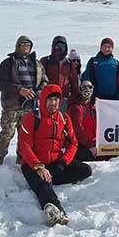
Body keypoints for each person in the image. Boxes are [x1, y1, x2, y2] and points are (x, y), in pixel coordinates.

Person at [18, 84, 92, 226]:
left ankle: (50, 179)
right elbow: (24, 146)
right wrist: (39, 167)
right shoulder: (32, 118)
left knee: (85, 170)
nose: (54, 103)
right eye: (50, 100)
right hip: (33, 164)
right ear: (43, 100)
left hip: (55, 161)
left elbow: (73, 144)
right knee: (43, 185)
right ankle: (56, 212)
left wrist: (63, 162)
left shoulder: (64, 118)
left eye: (57, 100)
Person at [0, 36, 48, 165]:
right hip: (12, 105)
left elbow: (44, 80)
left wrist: (39, 92)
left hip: (30, 105)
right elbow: (1, 81)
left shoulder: (37, 63)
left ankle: (22, 160)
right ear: (18, 47)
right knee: (8, 133)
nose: (25, 48)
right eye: (23, 45)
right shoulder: (9, 63)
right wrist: (19, 89)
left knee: (25, 135)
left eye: (28, 45)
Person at [40, 36, 79, 110]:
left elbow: (75, 83)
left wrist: (74, 98)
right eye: (57, 45)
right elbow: (40, 78)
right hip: (48, 97)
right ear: (53, 46)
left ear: (66, 47)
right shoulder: (45, 61)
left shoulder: (69, 63)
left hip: (63, 98)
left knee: (61, 119)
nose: (59, 48)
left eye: (62, 46)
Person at [67, 80, 97, 162]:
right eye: (84, 87)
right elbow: (77, 129)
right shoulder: (76, 108)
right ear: (80, 89)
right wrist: (90, 146)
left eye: (90, 87)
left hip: (93, 143)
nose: (87, 89)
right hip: (80, 144)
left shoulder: (93, 106)